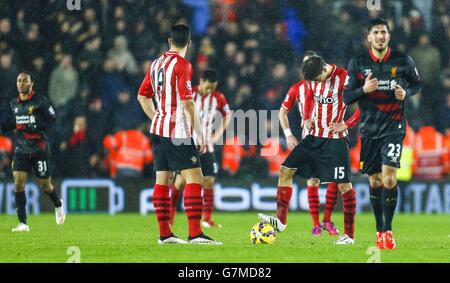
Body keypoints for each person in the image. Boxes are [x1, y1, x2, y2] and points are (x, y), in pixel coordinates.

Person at [258, 55, 357, 245]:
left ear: (322, 70)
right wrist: (307, 117)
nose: (313, 83)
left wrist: (347, 124)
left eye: (316, 79)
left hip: (334, 141)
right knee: (285, 170)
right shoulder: (312, 80)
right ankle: (280, 221)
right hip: (312, 138)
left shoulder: (343, 78)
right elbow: (310, 95)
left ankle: (349, 236)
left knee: (344, 185)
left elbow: (363, 102)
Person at [137, 24, 221, 245]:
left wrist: (157, 116)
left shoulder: (155, 64)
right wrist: (201, 134)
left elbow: (142, 97)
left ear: (169, 41)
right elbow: (187, 102)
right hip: (178, 131)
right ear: (189, 43)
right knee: (195, 178)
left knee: (162, 180)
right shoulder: (183, 65)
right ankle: (195, 234)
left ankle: (165, 234)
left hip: (158, 129)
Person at [344, 18, 422, 250]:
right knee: (375, 181)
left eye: (384, 32)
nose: (380, 36)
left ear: (389, 36)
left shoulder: (403, 60)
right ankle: (379, 230)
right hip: (368, 129)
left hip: (394, 126)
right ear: (369, 37)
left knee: (389, 177)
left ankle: (388, 231)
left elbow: (417, 84)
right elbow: (347, 97)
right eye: (376, 32)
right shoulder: (358, 62)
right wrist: (363, 90)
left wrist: (406, 92)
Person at [0, 71, 65, 232]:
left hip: (39, 147)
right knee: (18, 183)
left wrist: (36, 125)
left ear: (31, 84)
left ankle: (58, 203)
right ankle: (23, 223)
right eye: (19, 81)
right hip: (21, 148)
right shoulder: (14, 103)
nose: (21, 83)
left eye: (25, 81)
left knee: (45, 185)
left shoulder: (40, 101)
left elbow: (52, 119)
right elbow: (13, 124)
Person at [169, 69, 232, 228]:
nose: (210, 90)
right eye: (208, 86)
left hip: (207, 146)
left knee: (209, 180)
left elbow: (227, 115)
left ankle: (207, 219)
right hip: (188, 144)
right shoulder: (189, 95)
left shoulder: (218, 98)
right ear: (201, 81)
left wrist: (217, 135)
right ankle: (170, 216)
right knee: (181, 182)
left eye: (213, 87)